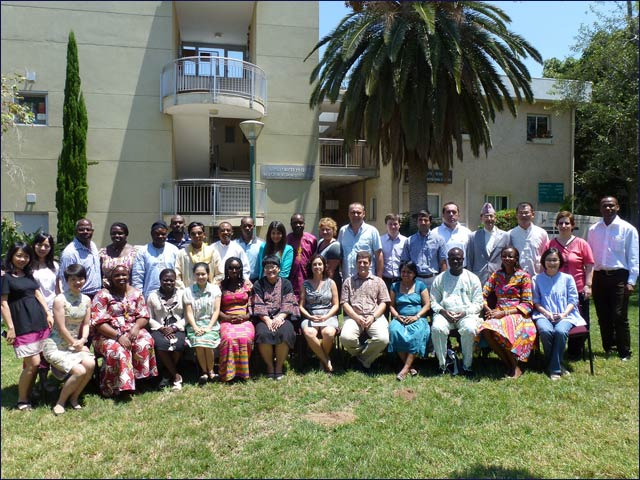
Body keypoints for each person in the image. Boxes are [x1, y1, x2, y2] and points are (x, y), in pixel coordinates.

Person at [91, 265, 158, 397]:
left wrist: (136, 328)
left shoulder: (136, 293)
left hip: (132, 329)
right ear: (110, 278)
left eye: (124, 275)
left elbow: (144, 315)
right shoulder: (102, 295)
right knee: (119, 350)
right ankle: (115, 387)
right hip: (108, 334)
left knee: (145, 342)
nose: (121, 278)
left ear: (128, 276)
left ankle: (140, 380)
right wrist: (118, 336)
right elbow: (99, 323)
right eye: (117, 275)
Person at [1, 242, 54, 411]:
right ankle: (22, 400)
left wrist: (48, 313)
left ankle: (36, 390)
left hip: (40, 322)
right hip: (22, 324)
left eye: (25, 256)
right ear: (11, 256)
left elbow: (37, 293)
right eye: (18, 255)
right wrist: (10, 327)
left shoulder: (28, 274)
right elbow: (3, 304)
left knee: (41, 360)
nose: (22, 259)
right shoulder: (5, 277)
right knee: (33, 363)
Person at [587, 196, 638, 361]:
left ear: (617, 207)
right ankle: (608, 346)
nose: (608, 208)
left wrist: (631, 281)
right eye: (604, 206)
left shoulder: (627, 229)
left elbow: (634, 257)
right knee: (603, 315)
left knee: (619, 315)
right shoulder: (594, 229)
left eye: (611, 205)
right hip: (599, 277)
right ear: (600, 209)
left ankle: (625, 352)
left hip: (619, 277)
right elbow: (590, 257)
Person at [42, 264, 95, 414]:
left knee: (90, 364)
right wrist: (75, 344)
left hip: (75, 344)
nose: (78, 282)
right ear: (66, 281)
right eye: (73, 279)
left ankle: (74, 397)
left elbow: (86, 324)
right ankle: (60, 402)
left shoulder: (86, 300)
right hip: (56, 346)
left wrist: (83, 340)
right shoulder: (60, 299)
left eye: (80, 278)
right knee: (79, 371)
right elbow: (61, 328)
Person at [478, 247, 536, 379]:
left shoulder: (524, 276)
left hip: (516, 312)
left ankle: (515, 367)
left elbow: (527, 303)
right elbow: (482, 295)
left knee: (505, 325)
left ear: (516, 259)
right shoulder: (496, 275)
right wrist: (488, 310)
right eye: (504, 256)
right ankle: (508, 363)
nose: (507, 259)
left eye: (511, 256)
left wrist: (504, 313)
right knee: (485, 329)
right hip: (497, 312)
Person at [532, 248, 586, 380]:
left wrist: (563, 314)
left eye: (555, 260)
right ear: (544, 261)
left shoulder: (568, 278)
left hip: (566, 314)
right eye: (548, 260)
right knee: (545, 330)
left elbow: (573, 300)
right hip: (543, 314)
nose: (552, 263)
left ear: (560, 261)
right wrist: (547, 314)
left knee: (561, 332)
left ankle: (553, 369)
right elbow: (536, 301)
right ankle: (558, 365)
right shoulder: (536, 279)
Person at [547, 211, 594, 359]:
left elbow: (589, 266)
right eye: (560, 223)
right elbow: (545, 265)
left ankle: (575, 351)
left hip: (578, 289)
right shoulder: (551, 244)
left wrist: (588, 285)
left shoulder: (581, 243)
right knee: (558, 321)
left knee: (580, 321)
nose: (563, 225)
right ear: (556, 225)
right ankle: (557, 349)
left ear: (573, 225)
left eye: (567, 223)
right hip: (557, 291)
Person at [430, 248, 483, 376]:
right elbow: (433, 301)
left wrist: (464, 313)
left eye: (458, 258)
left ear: (463, 260)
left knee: (469, 329)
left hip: (466, 315)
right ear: (448, 260)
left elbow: (478, 303)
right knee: (437, 328)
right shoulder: (440, 278)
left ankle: (467, 366)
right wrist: (443, 312)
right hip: (445, 314)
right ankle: (443, 365)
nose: (455, 261)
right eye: (452, 258)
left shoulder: (472, 278)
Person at [340, 251, 390, 370]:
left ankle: (359, 359)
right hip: (354, 317)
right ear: (356, 264)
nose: (362, 265)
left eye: (365, 262)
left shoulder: (378, 281)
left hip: (374, 317)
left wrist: (373, 317)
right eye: (359, 262)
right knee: (346, 338)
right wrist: (357, 317)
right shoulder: (348, 281)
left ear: (370, 264)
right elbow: (344, 303)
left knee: (383, 339)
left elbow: (384, 302)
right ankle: (366, 357)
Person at [252, 255, 298, 380]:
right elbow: (258, 304)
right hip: (264, 317)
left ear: (278, 269)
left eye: (273, 267)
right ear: (264, 269)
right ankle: (269, 366)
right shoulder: (258, 284)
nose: (270, 270)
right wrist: (268, 320)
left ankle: (278, 366)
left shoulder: (286, 283)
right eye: (267, 267)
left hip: (283, 316)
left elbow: (289, 303)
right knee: (262, 333)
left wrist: (279, 318)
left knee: (285, 332)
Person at [388, 261, 431, 381]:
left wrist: (416, 317)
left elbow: (427, 305)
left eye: (409, 272)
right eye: (403, 271)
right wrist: (397, 316)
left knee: (417, 333)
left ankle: (405, 368)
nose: (405, 274)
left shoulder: (420, 285)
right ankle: (411, 366)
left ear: (414, 273)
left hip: (417, 318)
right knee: (394, 331)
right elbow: (391, 305)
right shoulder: (395, 286)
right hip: (400, 317)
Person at [146, 269, 186, 391]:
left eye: (171, 280)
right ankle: (176, 375)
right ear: (160, 281)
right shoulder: (152, 296)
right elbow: (149, 317)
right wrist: (161, 328)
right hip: (159, 328)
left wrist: (174, 327)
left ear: (175, 281)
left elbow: (187, 316)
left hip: (177, 327)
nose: (168, 282)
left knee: (178, 345)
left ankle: (167, 374)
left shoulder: (182, 294)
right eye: (165, 280)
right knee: (161, 345)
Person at [299, 254, 339, 373]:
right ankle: (326, 360)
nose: (317, 266)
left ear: (324, 266)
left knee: (329, 333)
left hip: (328, 315)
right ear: (311, 267)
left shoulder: (331, 283)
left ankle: (321, 360)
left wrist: (327, 316)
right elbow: (301, 306)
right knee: (309, 332)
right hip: (311, 315)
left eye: (319, 264)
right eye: (314, 264)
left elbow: (336, 304)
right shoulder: (305, 284)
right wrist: (309, 316)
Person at [184, 262, 222, 384]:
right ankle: (204, 372)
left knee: (208, 343)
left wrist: (209, 327)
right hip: (194, 324)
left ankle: (211, 371)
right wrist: (195, 327)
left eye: (203, 274)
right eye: (198, 274)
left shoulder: (215, 290)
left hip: (211, 324)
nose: (200, 277)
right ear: (194, 275)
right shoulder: (188, 291)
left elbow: (216, 311)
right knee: (199, 343)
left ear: (208, 274)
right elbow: (189, 313)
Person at [218, 257, 255, 382]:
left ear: (241, 269)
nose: (234, 270)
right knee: (229, 339)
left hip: (244, 320)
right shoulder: (220, 286)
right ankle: (228, 373)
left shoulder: (247, 285)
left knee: (245, 338)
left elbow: (252, 305)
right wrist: (227, 318)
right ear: (226, 269)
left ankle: (242, 373)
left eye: (237, 268)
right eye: (231, 268)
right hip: (226, 319)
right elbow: (216, 309)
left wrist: (246, 316)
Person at [131, 221, 179, 300]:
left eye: (163, 234)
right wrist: (139, 297)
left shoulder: (174, 250)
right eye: (157, 234)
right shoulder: (143, 251)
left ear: (167, 234)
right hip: (149, 296)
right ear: (152, 234)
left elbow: (178, 273)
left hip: (172, 296)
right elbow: (137, 276)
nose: (160, 236)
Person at [467, 203, 510, 286]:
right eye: (486, 216)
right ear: (481, 218)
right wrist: (470, 277)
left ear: (495, 218)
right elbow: (470, 259)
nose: (489, 219)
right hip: (478, 279)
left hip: (499, 278)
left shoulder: (505, 236)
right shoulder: (473, 236)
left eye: (491, 216)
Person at [401, 210, 446, 288]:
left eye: (426, 220)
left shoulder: (439, 240)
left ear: (430, 222)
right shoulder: (409, 241)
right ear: (417, 223)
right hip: (415, 279)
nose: (423, 222)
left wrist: (442, 281)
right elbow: (405, 262)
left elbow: (443, 263)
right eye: (420, 220)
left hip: (434, 279)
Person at [337, 202, 383, 279]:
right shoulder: (343, 231)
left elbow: (379, 255)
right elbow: (339, 254)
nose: (355, 215)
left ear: (363, 214)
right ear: (348, 214)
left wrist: (379, 278)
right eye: (353, 212)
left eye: (358, 212)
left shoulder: (372, 231)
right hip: (348, 278)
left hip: (367, 279)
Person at [59, 218, 102, 298]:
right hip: (79, 296)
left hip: (97, 295)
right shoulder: (70, 253)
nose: (85, 232)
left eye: (88, 229)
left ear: (92, 231)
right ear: (75, 231)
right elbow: (65, 280)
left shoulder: (93, 246)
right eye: (81, 229)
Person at [175, 221, 223, 288]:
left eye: (199, 233)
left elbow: (220, 274)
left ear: (204, 234)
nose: (196, 236)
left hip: (209, 293)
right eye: (193, 234)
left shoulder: (213, 252)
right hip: (188, 294)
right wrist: (184, 291)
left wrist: (212, 288)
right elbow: (177, 276)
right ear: (189, 235)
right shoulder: (182, 254)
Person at [509, 202, 549, 276]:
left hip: (537, 277)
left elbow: (546, 255)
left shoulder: (542, 233)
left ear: (532, 214)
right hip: (516, 278)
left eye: (526, 213)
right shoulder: (510, 234)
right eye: (521, 213)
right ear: (516, 215)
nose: (524, 215)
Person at [287, 213, 317, 299]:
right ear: (291, 224)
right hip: (291, 279)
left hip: (308, 278)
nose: (298, 225)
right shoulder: (287, 239)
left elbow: (314, 258)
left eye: (300, 223)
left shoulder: (312, 239)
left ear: (304, 224)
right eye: (295, 223)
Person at [98, 222, 138, 286]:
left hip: (128, 291)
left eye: (120, 233)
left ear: (126, 235)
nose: (116, 236)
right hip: (107, 291)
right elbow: (98, 274)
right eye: (113, 233)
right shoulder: (103, 253)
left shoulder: (135, 253)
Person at [435, 202, 472, 268]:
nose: (451, 214)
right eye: (448, 212)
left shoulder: (467, 232)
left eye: (454, 212)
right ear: (443, 215)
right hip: (442, 273)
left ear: (458, 215)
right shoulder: (435, 233)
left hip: (463, 272)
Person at [31, 232, 61, 311]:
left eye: (46, 246)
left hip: (53, 307)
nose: (42, 248)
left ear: (51, 248)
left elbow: (57, 288)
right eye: (40, 245)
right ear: (34, 245)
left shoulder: (55, 266)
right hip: (35, 307)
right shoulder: (28, 266)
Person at [316, 217, 342, 295]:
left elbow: (331, 271)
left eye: (328, 229)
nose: (325, 232)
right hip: (321, 279)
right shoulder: (320, 242)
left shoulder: (335, 246)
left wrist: (325, 287)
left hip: (330, 281)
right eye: (322, 229)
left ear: (333, 230)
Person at [381, 213, 407, 289]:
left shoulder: (406, 241)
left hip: (401, 280)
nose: (393, 226)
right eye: (390, 224)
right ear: (386, 225)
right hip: (385, 280)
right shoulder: (380, 241)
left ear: (399, 225)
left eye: (395, 224)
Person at [235, 216, 264, 283]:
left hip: (256, 282)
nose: (247, 228)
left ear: (254, 226)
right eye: (244, 226)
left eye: (249, 226)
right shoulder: (234, 244)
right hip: (238, 281)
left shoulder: (261, 244)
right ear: (240, 227)